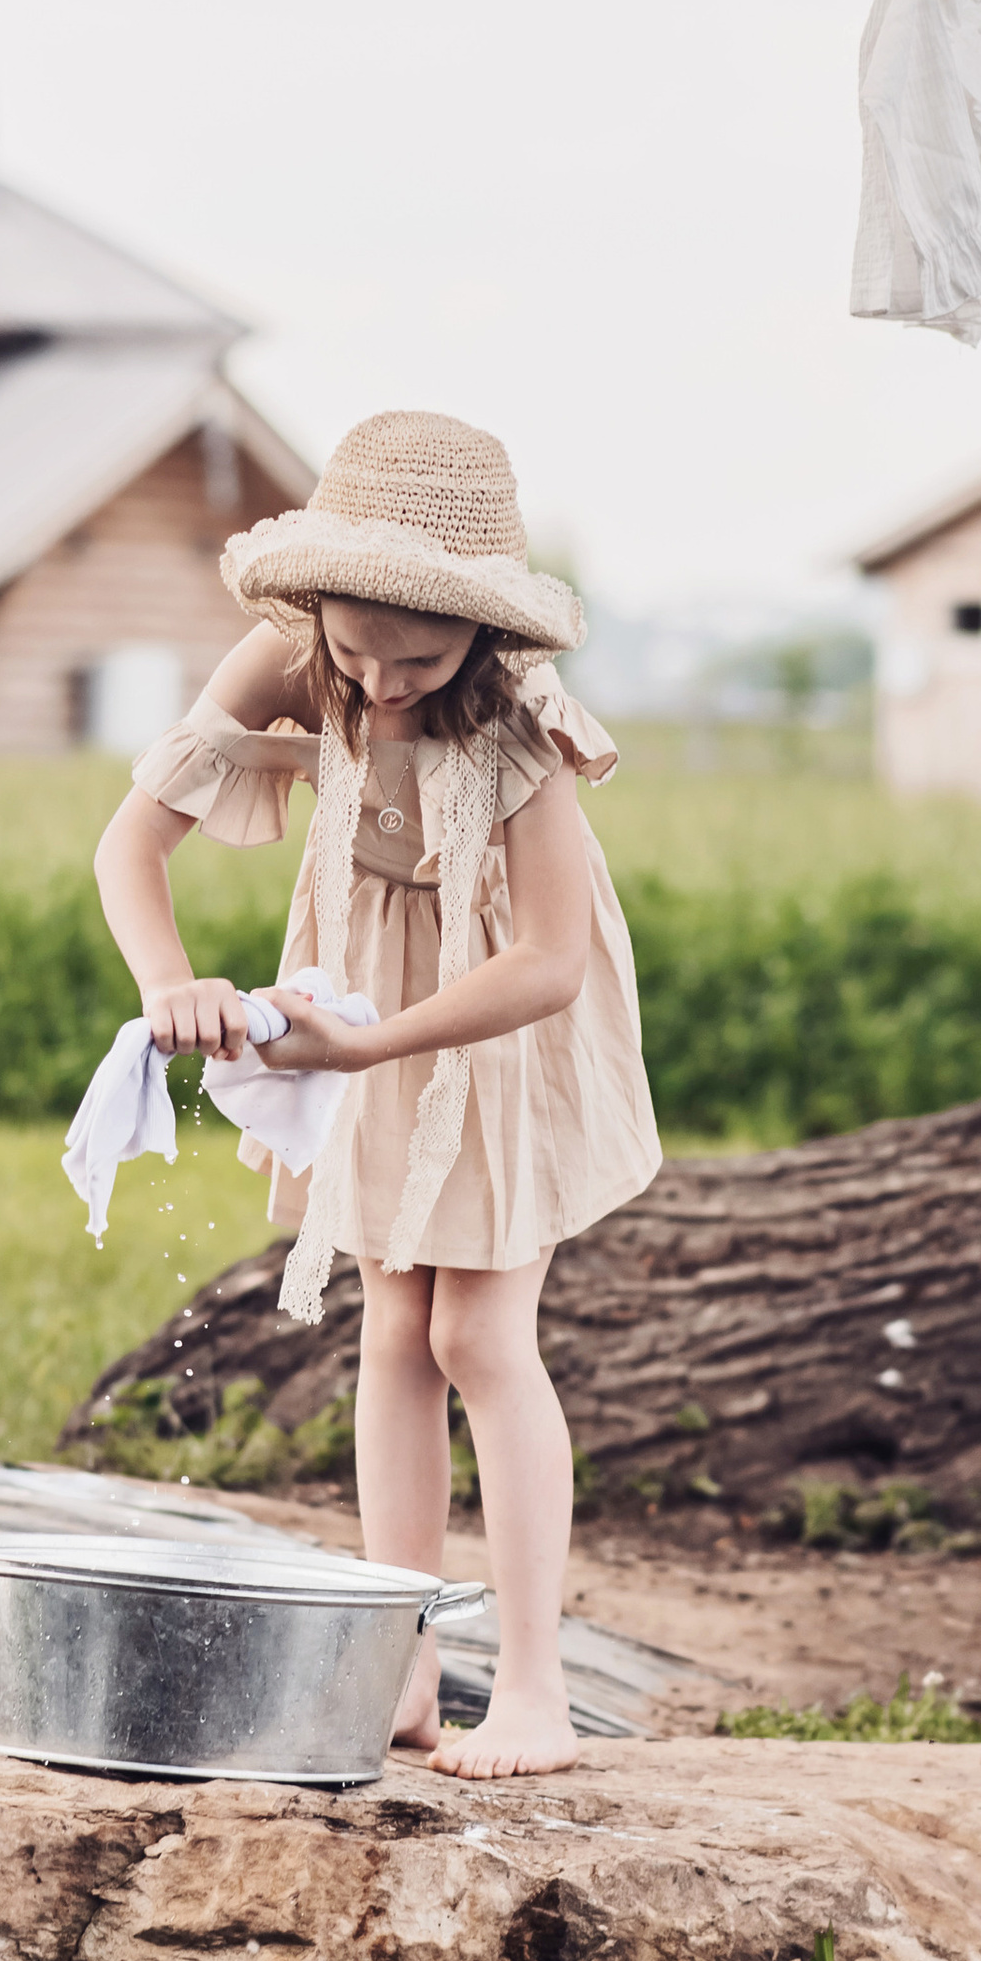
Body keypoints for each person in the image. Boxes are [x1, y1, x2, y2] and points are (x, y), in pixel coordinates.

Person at [92, 410, 661, 1779]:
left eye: (416, 657)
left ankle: (532, 1686)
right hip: (366, 993)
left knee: (479, 1331)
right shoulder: (294, 663)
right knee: (391, 1325)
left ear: (478, 632)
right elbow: (131, 846)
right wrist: (172, 984)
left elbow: (548, 957)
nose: (382, 684)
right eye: (356, 652)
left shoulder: (519, 723)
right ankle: (398, 1659)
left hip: (497, 1018)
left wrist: (374, 1043)